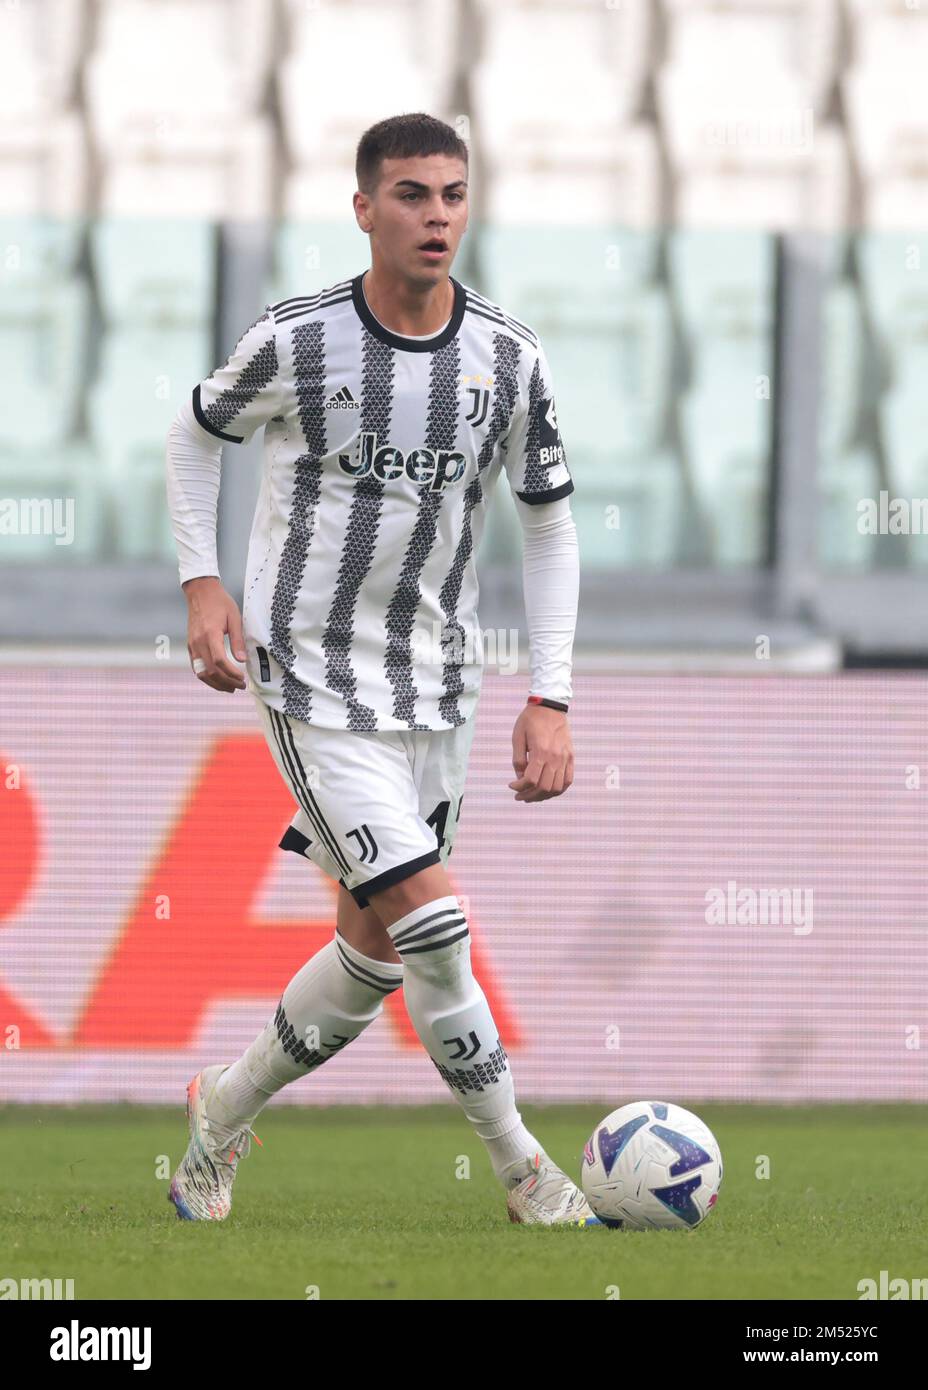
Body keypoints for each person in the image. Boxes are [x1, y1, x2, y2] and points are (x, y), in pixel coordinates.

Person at [163, 112, 595, 1226]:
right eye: (410, 194)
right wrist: (201, 580)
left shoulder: (507, 355)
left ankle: (220, 1111)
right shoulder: (298, 340)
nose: (435, 214)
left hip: (438, 685)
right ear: (363, 208)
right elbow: (195, 430)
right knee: (435, 919)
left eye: (452, 193)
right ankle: (521, 1171)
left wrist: (549, 693)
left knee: (376, 951)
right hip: (309, 675)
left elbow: (548, 525)